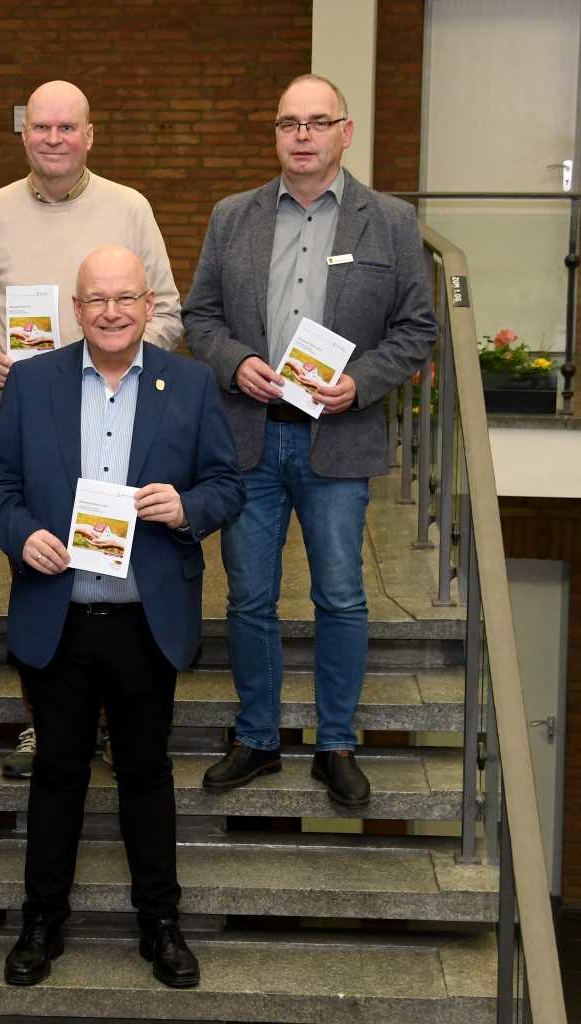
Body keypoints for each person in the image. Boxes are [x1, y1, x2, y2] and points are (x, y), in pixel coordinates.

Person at [0, 245, 244, 990]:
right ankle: (41, 920)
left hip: (143, 619)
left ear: (149, 305)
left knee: (147, 774)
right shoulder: (33, 383)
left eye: (127, 297)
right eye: (97, 299)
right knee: (56, 774)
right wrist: (19, 532)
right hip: (57, 614)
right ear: (77, 308)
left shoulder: (188, 385)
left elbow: (227, 483)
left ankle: (161, 924)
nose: (113, 312)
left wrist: (188, 508)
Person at [183, 74, 437, 808]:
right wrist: (236, 362)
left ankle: (336, 743)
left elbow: (417, 328)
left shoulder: (387, 220)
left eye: (317, 122)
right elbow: (201, 317)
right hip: (251, 438)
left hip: (339, 440)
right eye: (288, 122)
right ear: (275, 134)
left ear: (345, 133)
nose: (301, 135)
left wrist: (361, 381)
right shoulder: (233, 216)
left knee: (341, 597)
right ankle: (258, 737)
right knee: (250, 599)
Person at [0, 79, 183, 780]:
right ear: (23, 134)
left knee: (119, 592)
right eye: (41, 128)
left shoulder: (129, 208)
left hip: (120, 429)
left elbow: (169, 312)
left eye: (68, 128)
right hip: (30, 439)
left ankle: (121, 724)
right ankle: (45, 725)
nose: (53, 139)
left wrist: (120, 359)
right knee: (40, 580)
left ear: (90, 134)